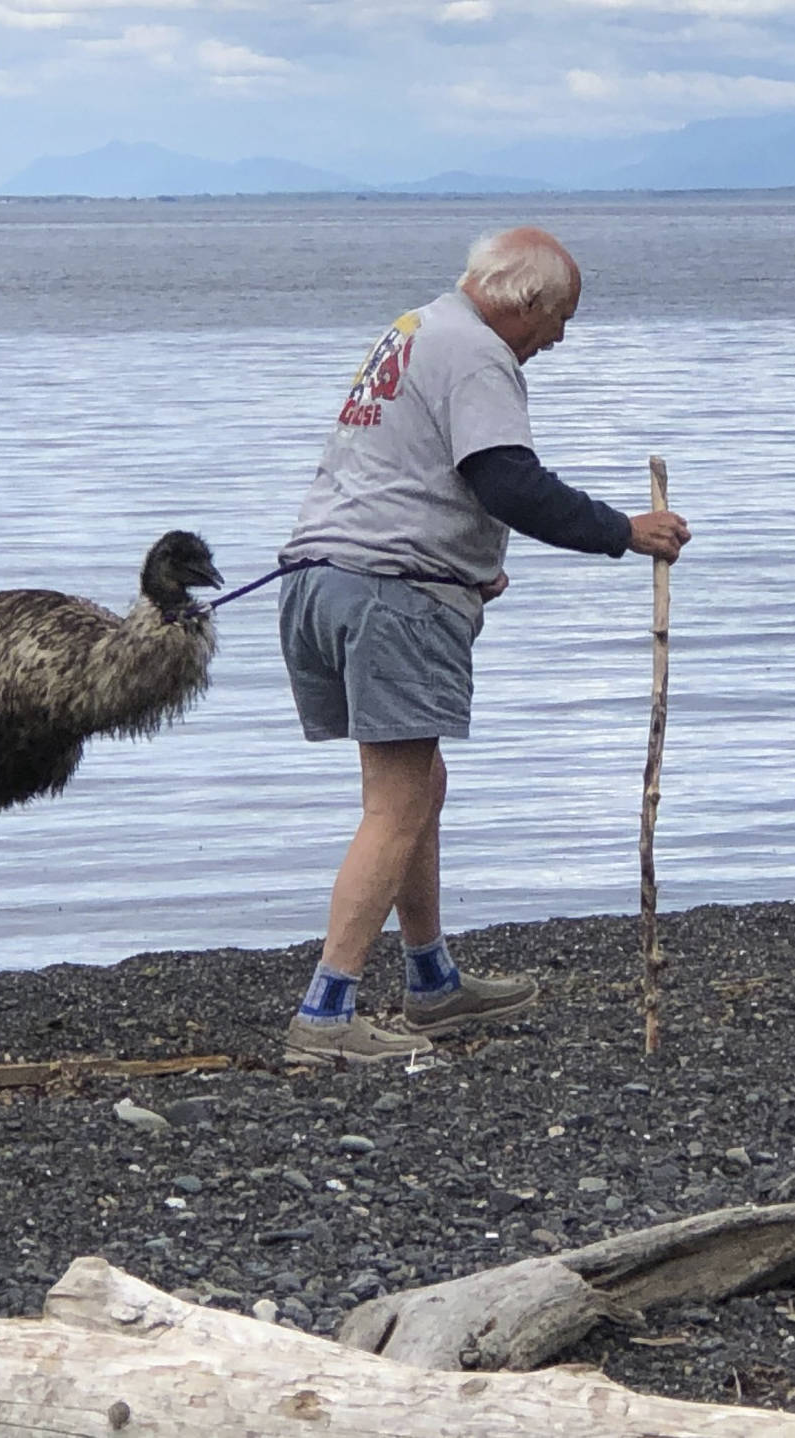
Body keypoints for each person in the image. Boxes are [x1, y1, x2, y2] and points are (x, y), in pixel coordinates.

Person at [278, 226, 691, 1066]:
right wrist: (623, 531)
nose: (561, 338)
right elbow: (507, 481)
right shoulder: (476, 354)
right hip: (388, 595)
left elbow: (411, 472)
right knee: (393, 804)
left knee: (416, 780)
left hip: (322, 581)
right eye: (561, 318)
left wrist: (462, 562)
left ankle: (432, 982)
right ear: (524, 301)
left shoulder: (415, 329)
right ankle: (325, 1013)